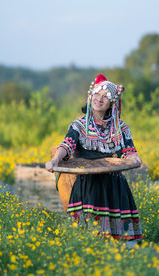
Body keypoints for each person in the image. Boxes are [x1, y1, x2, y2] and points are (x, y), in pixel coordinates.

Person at [46, 74, 143, 242]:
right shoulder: (79, 125)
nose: (99, 99)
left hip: (114, 185)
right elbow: (67, 144)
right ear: (90, 97)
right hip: (87, 186)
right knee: (85, 238)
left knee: (117, 240)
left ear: (112, 103)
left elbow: (129, 151)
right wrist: (55, 160)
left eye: (105, 97)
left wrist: (135, 158)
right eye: (97, 95)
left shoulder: (121, 128)